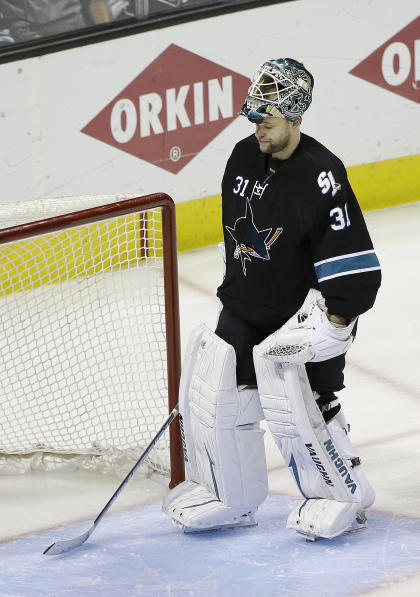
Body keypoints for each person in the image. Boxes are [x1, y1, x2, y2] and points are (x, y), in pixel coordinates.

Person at [163, 58, 381, 540]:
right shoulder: (242, 156)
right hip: (245, 307)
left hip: (296, 316)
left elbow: (353, 259)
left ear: (297, 117)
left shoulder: (322, 175)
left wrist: (337, 320)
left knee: (298, 405)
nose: (258, 128)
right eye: (254, 118)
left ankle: (342, 493)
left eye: (268, 120)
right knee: (214, 397)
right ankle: (230, 496)